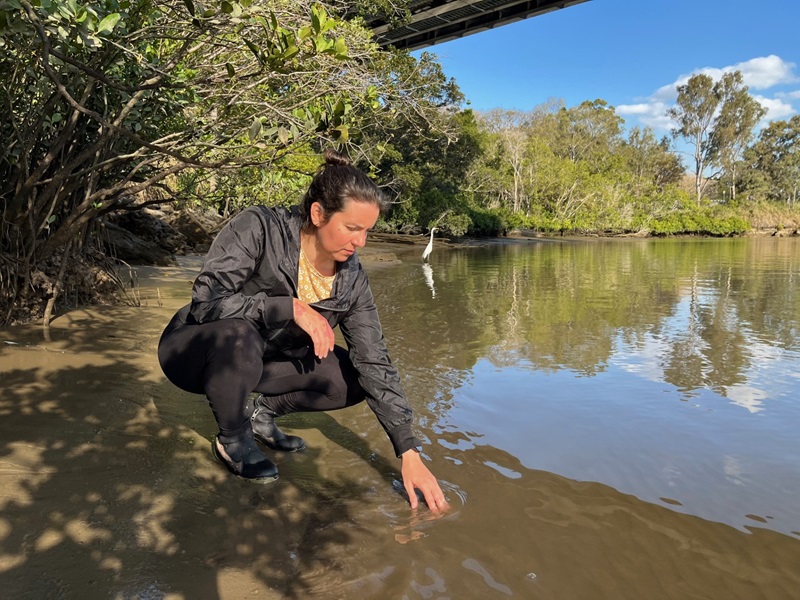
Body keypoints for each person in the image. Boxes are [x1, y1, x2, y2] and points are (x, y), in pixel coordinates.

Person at [157, 149, 448, 512]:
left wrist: (408, 449)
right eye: (352, 228)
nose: (361, 243)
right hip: (194, 351)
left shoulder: (352, 279)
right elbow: (206, 302)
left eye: (367, 231)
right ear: (318, 214)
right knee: (240, 335)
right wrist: (287, 307)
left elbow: (374, 359)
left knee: (353, 377)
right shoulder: (260, 227)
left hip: (266, 361)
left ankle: (261, 415)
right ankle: (232, 438)